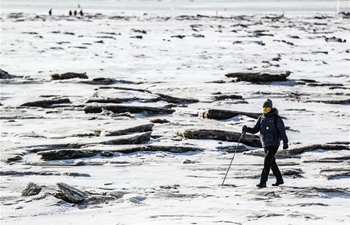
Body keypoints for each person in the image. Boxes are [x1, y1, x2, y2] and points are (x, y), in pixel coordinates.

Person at [242, 99, 288, 188]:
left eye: (267, 109)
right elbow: (255, 130)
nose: (265, 111)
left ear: (271, 109)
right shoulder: (261, 118)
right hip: (265, 144)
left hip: (274, 144)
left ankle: (263, 182)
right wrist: (247, 129)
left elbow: (282, 131)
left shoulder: (276, 118)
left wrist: (285, 142)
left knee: (267, 162)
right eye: (264, 109)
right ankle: (279, 179)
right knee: (271, 163)